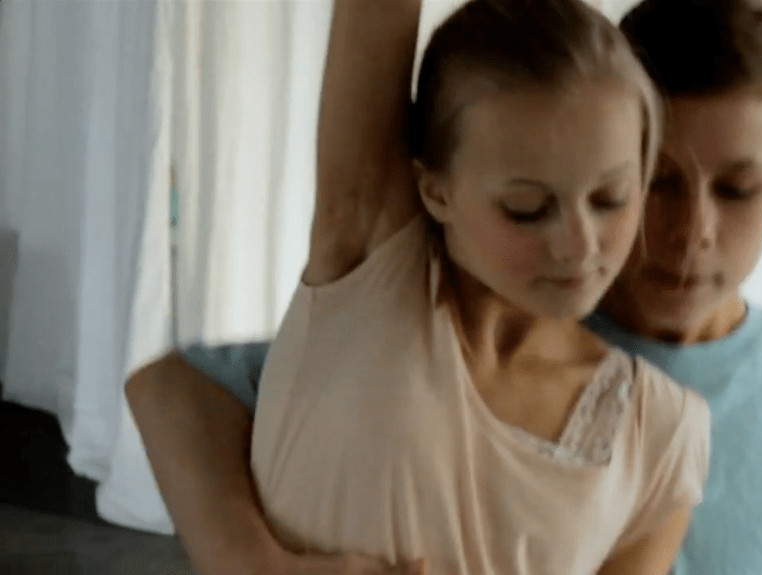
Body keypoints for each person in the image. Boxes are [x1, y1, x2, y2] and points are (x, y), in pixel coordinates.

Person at [128, 0, 762, 574]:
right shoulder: (416, 302)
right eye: (657, 183)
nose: (691, 230)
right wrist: (248, 557)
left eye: (736, 188)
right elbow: (174, 389)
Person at [131, 0, 712, 574]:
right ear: (435, 190)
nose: (579, 245)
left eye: (610, 198)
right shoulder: (372, 268)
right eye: (527, 208)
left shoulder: (661, 434)